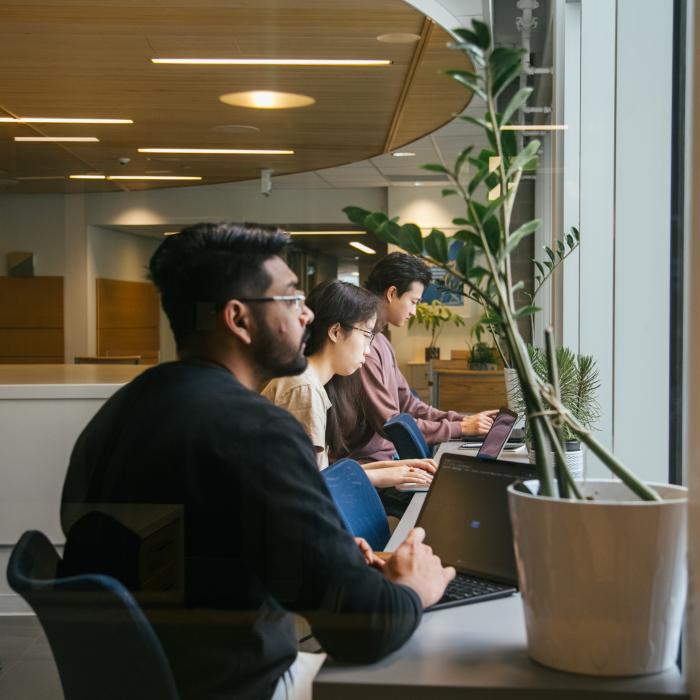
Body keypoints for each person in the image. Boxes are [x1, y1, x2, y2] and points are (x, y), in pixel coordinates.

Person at [60, 223, 454, 700]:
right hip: (240, 685)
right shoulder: (256, 431)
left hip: (147, 679)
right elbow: (364, 630)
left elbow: (192, 549)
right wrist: (414, 589)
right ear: (238, 318)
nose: (307, 314)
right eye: (291, 299)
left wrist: (314, 547)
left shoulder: (119, 412)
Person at [262, 280, 436, 489]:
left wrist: (394, 468)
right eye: (366, 335)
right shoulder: (304, 389)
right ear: (335, 331)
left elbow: (321, 473)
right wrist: (382, 477)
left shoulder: (310, 382)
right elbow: (310, 484)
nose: (368, 350)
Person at [350, 252, 499, 468]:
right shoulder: (365, 350)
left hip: (391, 459)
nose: (414, 311)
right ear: (392, 293)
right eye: (413, 302)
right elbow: (393, 425)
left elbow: (408, 404)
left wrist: (462, 420)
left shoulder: (381, 341)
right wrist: (461, 428)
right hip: (375, 466)